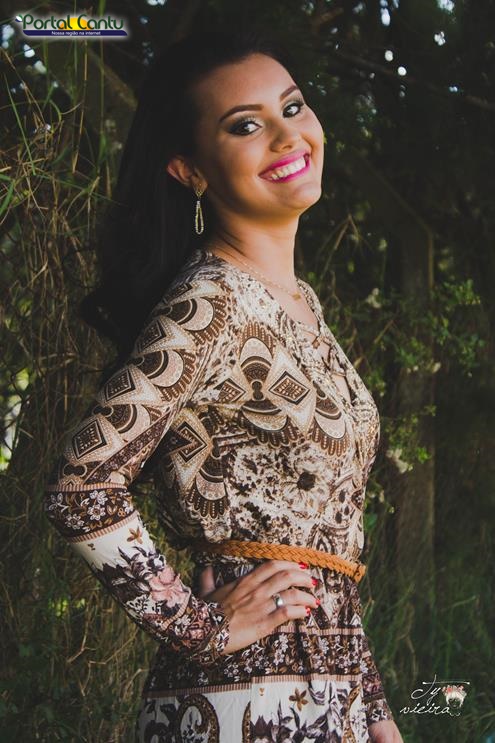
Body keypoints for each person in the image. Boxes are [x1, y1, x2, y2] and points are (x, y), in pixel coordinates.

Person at [44, 27, 404, 743]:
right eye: (245, 125)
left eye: (291, 107)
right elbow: (81, 485)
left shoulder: (299, 302)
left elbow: (324, 547)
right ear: (189, 169)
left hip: (326, 694)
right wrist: (197, 626)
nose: (287, 135)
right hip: (244, 700)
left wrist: (374, 712)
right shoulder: (211, 303)